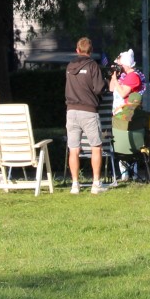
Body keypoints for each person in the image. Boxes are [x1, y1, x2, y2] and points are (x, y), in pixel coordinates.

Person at [63, 37, 108, 194]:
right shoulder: (92, 65)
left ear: (77, 50)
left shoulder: (69, 66)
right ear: (91, 50)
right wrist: (106, 83)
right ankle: (96, 184)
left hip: (71, 111)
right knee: (96, 147)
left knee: (73, 149)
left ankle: (75, 185)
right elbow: (99, 88)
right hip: (88, 111)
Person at [109, 49, 144, 178]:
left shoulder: (133, 76)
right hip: (119, 113)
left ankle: (132, 171)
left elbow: (123, 93)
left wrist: (117, 80)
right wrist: (114, 76)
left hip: (127, 112)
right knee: (119, 142)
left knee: (129, 142)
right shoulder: (123, 76)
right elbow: (111, 88)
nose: (119, 67)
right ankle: (124, 173)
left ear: (125, 64)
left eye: (120, 65)